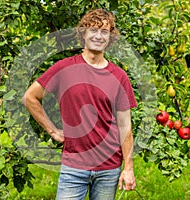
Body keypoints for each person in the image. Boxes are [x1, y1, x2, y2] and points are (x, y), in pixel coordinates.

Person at [23, 8, 137, 200]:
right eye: (93, 30)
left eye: (105, 32)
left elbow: (125, 127)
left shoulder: (119, 76)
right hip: (73, 166)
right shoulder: (64, 68)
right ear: (83, 34)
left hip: (108, 169)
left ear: (111, 37)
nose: (99, 36)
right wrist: (52, 130)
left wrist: (128, 168)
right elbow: (30, 98)